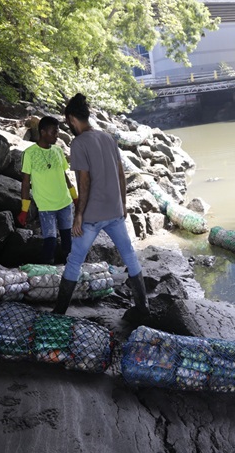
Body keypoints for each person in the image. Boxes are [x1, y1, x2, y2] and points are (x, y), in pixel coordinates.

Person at [52, 93, 149, 316]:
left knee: (75, 260)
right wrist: (123, 204)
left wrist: (78, 216)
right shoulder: (108, 138)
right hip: (115, 211)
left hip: (92, 216)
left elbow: (84, 181)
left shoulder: (78, 143)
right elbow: (121, 174)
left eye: (68, 122)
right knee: (129, 256)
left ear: (72, 119)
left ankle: (58, 312)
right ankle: (143, 308)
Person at [18, 115, 78, 265]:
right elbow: (25, 183)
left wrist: (75, 198)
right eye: (54, 132)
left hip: (65, 203)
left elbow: (65, 176)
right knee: (49, 243)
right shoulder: (29, 154)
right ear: (43, 132)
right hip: (46, 207)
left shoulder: (58, 151)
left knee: (67, 242)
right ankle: (46, 275)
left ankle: (68, 274)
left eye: (57, 132)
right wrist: (24, 210)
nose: (57, 136)